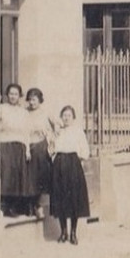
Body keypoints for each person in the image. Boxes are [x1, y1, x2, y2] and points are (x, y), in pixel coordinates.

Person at [49, 105, 90, 245]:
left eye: (69, 116)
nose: (66, 118)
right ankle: (63, 232)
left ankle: (73, 233)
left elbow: (85, 150)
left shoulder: (78, 131)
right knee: (60, 198)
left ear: (73, 118)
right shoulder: (57, 132)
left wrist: (78, 161)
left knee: (73, 199)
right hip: (59, 165)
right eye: (64, 115)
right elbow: (51, 149)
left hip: (73, 164)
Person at [23, 87, 57, 219]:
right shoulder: (25, 113)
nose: (32, 102)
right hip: (27, 146)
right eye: (30, 99)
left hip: (41, 147)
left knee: (40, 177)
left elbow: (57, 124)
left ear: (40, 100)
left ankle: (39, 205)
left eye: (34, 99)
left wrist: (53, 138)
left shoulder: (45, 112)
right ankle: (29, 205)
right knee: (28, 177)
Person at [0, 83, 31, 218]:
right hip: (6, 144)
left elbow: (27, 131)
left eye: (16, 94)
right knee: (7, 175)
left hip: (20, 146)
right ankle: (6, 206)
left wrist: (28, 149)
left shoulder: (24, 112)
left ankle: (16, 206)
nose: (13, 96)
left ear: (20, 96)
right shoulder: (1, 108)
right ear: (7, 95)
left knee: (18, 176)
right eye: (11, 94)